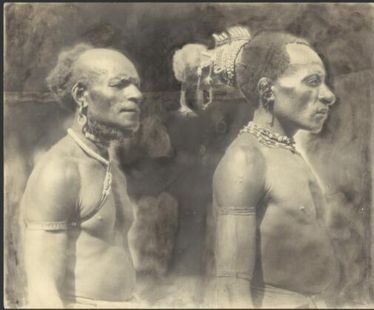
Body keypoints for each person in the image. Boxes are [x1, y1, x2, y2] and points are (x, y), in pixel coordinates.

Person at [173, 27, 340, 308]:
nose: (328, 95)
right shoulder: (246, 160)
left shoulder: (288, 151)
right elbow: (230, 288)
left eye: (323, 82)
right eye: (312, 82)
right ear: (266, 89)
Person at [21, 43, 144, 308]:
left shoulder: (109, 167)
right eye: (120, 84)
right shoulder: (60, 171)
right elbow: (43, 293)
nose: (136, 94)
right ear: (81, 95)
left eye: (136, 85)